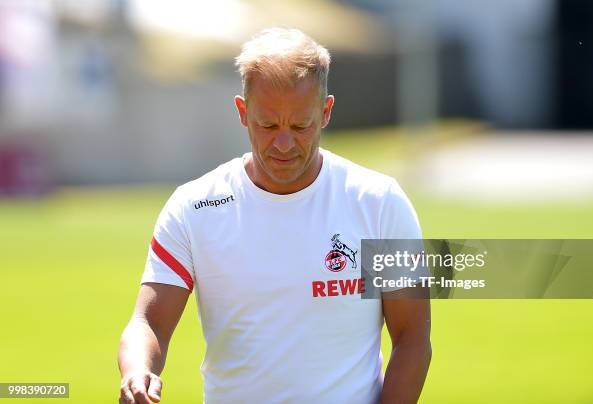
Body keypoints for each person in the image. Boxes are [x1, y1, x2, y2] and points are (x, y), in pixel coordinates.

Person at [118, 27, 431, 404]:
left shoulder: (380, 203)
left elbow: (413, 340)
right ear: (242, 112)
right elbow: (148, 323)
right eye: (267, 125)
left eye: (300, 125)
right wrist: (138, 370)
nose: (283, 143)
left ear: (326, 112)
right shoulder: (194, 207)